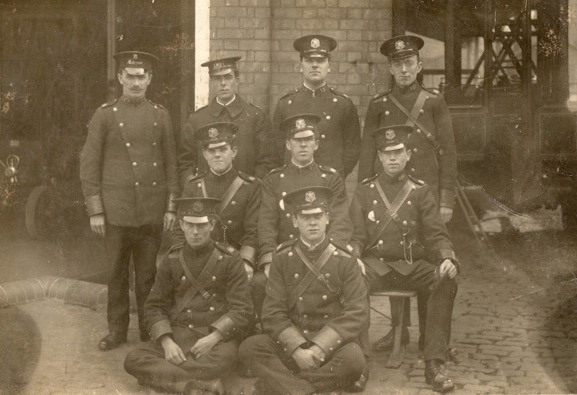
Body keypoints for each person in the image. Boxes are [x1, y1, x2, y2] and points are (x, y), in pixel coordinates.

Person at [357, 35, 458, 351]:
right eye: (397, 64)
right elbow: (366, 156)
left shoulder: (434, 102)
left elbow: (449, 155)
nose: (403, 69)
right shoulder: (379, 105)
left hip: (423, 200)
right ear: (390, 67)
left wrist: (445, 201)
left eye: (408, 63)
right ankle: (397, 333)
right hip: (388, 196)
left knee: (428, 264)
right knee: (393, 258)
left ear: (419, 66)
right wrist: (365, 197)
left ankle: (431, 339)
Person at [79, 51, 179, 351]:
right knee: (115, 274)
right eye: (130, 76)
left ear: (149, 79)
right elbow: (89, 164)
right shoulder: (105, 115)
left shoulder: (161, 115)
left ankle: (150, 331)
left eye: (142, 76)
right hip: (115, 212)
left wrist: (171, 207)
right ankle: (117, 330)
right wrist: (96, 210)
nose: (136, 82)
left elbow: (171, 164)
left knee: (148, 275)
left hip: (149, 211)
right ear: (121, 78)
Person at [350, 125, 459, 393]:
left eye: (398, 152)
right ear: (379, 156)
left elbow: (436, 234)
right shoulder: (365, 191)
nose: (393, 158)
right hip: (376, 265)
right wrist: (353, 255)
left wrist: (447, 257)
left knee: (445, 279)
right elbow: (355, 235)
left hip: (413, 265)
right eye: (387, 153)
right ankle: (359, 361)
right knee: (351, 279)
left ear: (408, 154)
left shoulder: (420, 191)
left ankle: (434, 363)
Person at [240, 186, 369, 395]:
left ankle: (283, 386)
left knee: (354, 360)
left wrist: (319, 347)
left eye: (318, 216)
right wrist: (296, 348)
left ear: (327, 218)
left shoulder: (346, 258)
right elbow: (272, 312)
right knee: (250, 347)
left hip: (330, 346)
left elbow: (357, 311)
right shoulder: (282, 257)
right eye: (305, 217)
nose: (312, 223)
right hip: (293, 344)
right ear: (294, 221)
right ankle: (306, 390)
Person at [124, 197, 254, 395]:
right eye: (190, 225)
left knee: (226, 357)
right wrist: (167, 343)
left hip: (215, 340)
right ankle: (201, 385)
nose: (195, 232)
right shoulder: (172, 258)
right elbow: (154, 306)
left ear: (211, 224)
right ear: (182, 225)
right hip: (179, 335)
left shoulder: (230, 258)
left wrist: (214, 337)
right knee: (133, 359)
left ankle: (164, 380)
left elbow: (242, 308)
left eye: (201, 226)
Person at [256, 113, 352, 277]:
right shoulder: (273, 180)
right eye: (297, 140)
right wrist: (269, 259)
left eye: (308, 140)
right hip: (285, 257)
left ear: (316, 144)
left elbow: (340, 223)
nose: (303, 145)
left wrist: (329, 256)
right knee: (260, 284)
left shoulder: (331, 179)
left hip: (325, 255)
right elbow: (267, 224)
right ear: (288, 144)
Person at [263, 34, 361, 178]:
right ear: (300, 66)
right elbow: (276, 149)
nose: (315, 65)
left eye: (320, 61)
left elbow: (353, 149)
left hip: (330, 185)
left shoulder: (343, 104)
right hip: (293, 182)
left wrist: (335, 176)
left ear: (329, 66)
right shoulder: (286, 104)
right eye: (309, 60)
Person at [171, 121, 260, 278]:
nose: (217, 154)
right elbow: (180, 229)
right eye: (212, 151)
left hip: (235, 260)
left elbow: (252, 231)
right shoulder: (193, 186)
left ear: (234, 152)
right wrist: (182, 259)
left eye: (223, 149)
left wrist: (246, 261)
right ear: (205, 155)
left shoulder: (250, 186)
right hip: (199, 260)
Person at [178, 56, 273, 182]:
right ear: (211, 82)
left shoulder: (256, 117)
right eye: (217, 78)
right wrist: (193, 185)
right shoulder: (196, 119)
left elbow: (267, 162)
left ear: (237, 80)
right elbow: (185, 162)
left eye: (228, 77)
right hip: (206, 196)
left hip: (246, 196)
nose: (223, 83)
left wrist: (252, 187)